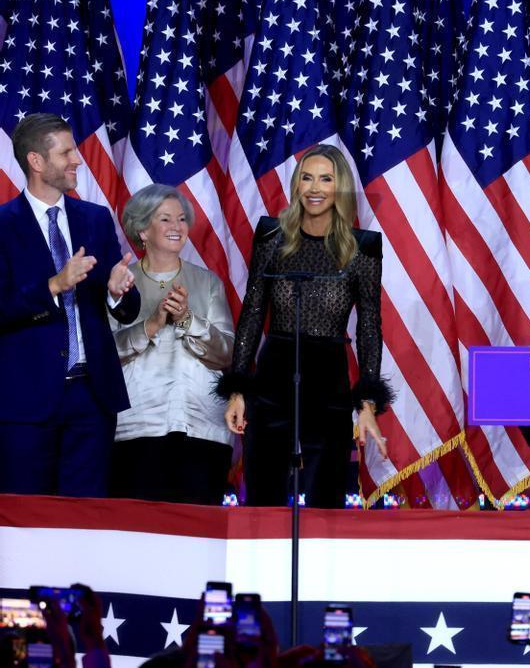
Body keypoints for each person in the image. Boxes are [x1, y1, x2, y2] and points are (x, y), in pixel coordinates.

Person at [216, 144, 391, 509]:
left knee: (327, 493)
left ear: (339, 187)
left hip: (329, 377)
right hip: (274, 370)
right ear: (296, 185)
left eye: (326, 179)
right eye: (307, 178)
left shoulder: (364, 248)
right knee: (263, 491)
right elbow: (252, 311)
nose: (315, 187)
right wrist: (237, 390)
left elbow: (370, 327)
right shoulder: (270, 235)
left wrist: (368, 403)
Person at [0, 113, 139, 497]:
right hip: (24, 402)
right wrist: (54, 285)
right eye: (67, 152)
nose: (78, 159)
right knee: (25, 518)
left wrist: (118, 290)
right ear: (36, 161)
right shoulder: (3, 225)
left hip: (92, 399)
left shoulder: (94, 219)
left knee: (86, 518)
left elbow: (126, 307)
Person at [109, 184, 235, 505]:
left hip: (202, 430)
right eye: (165, 219)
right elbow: (105, 354)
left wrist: (187, 319)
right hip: (138, 428)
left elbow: (227, 354)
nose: (177, 227)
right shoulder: (120, 283)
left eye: (181, 219)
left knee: (199, 537)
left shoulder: (207, 283)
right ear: (142, 229)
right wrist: (151, 325)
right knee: (140, 539)